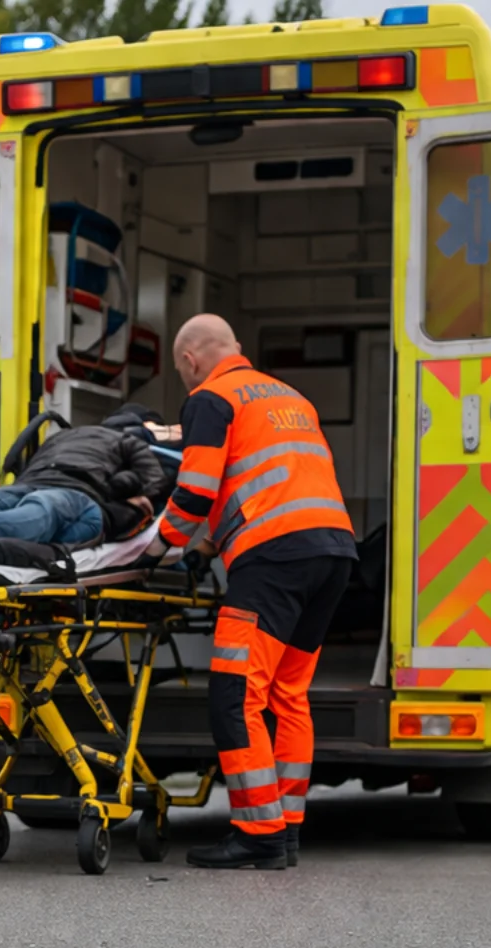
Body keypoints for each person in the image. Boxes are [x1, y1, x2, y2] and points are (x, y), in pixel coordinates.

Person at [147, 314, 357, 870]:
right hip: (332, 552)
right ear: (236, 347)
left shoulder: (211, 399)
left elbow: (195, 491)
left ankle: (258, 834)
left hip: (274, 562)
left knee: (236, 697)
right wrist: (206, 550)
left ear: (190, 362)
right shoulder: (290, 398)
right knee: (289, 695)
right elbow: (266, 488)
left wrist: (157, 551)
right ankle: (284, 829)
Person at [0, 406, 175, 548]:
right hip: (76, 489)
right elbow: (155, 480)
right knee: (44, 510)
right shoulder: (127, 441)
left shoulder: (63, 436)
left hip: (31, 482)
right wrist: (125, 497)